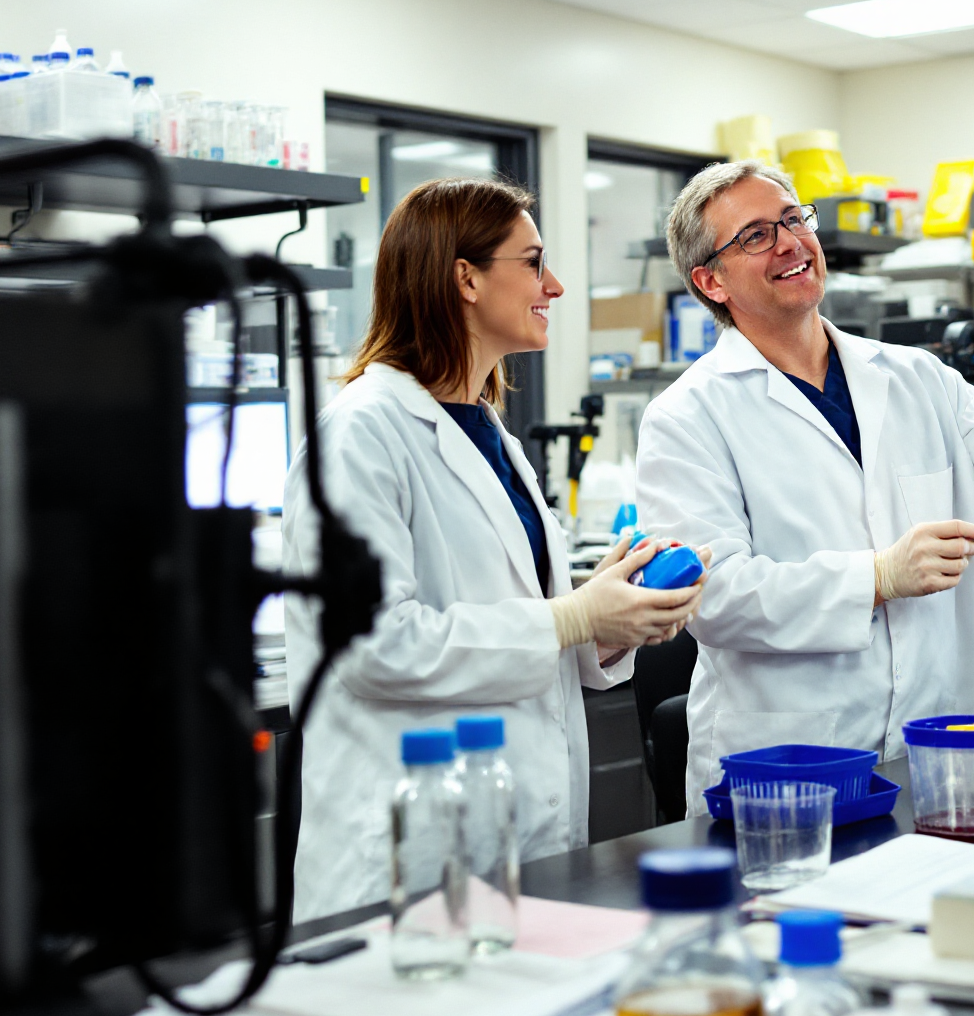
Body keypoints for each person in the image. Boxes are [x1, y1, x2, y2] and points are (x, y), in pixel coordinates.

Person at [284, 177, 706, 920]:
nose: (556, 285)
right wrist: (570, 617)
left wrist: (605, 623)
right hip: (406, 852)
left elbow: (517, 626)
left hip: (516, 832)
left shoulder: (489, 434)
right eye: (534, 262)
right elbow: (373, 646)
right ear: (466, 277)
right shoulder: (360, 435)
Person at [635, 160, 974, 812]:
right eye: (754, 236)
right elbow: (713, 597)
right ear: (710, 280)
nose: (789, 243)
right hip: (792, 775)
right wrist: (876, 578)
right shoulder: (687, 417)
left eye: (794, 219)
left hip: (949, 755)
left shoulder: (922, 380)